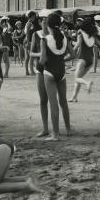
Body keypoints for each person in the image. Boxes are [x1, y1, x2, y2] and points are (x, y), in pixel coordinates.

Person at [40, 12, 74, 141]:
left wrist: (37, 61)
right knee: (63, 102)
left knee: (53, 103)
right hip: (61, 72)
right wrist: (62, 60)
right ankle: (68, 129)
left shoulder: (45, 39)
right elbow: (73, 55)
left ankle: (55, 134)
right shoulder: (64, 37)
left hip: (49, 72)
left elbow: (43, 60)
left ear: (48, 25)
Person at [68, 18, 100, 102]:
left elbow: (76, 46)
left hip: (82, 59)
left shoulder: (81, 35)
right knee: (78, 78)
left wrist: (69, 51)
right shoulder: (92, 36)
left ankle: (87, 83)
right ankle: (74, 97)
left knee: (77, 78)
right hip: (90, 60)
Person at [28, 9, 51, 137]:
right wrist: (40, 54)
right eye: (42, 20)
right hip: (40, 69)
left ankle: (59, 127)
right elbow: (30, 52)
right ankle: (45, 128)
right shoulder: (35, 34)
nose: (44, 23)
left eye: (46, 21)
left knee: (54, 100)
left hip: (53, 69)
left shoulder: (55, 34)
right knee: (43, 100)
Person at [24, 11, 38, 76]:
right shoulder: (29, 23)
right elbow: (27, 33)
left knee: (27, 57)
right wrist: (28, 42)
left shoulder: (28, 23)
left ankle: (27, 71)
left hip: (26, 41)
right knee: (31, 57)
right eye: (34, 16)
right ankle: (32, 71)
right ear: (32, 16)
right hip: (28, 41)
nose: (35, 17)